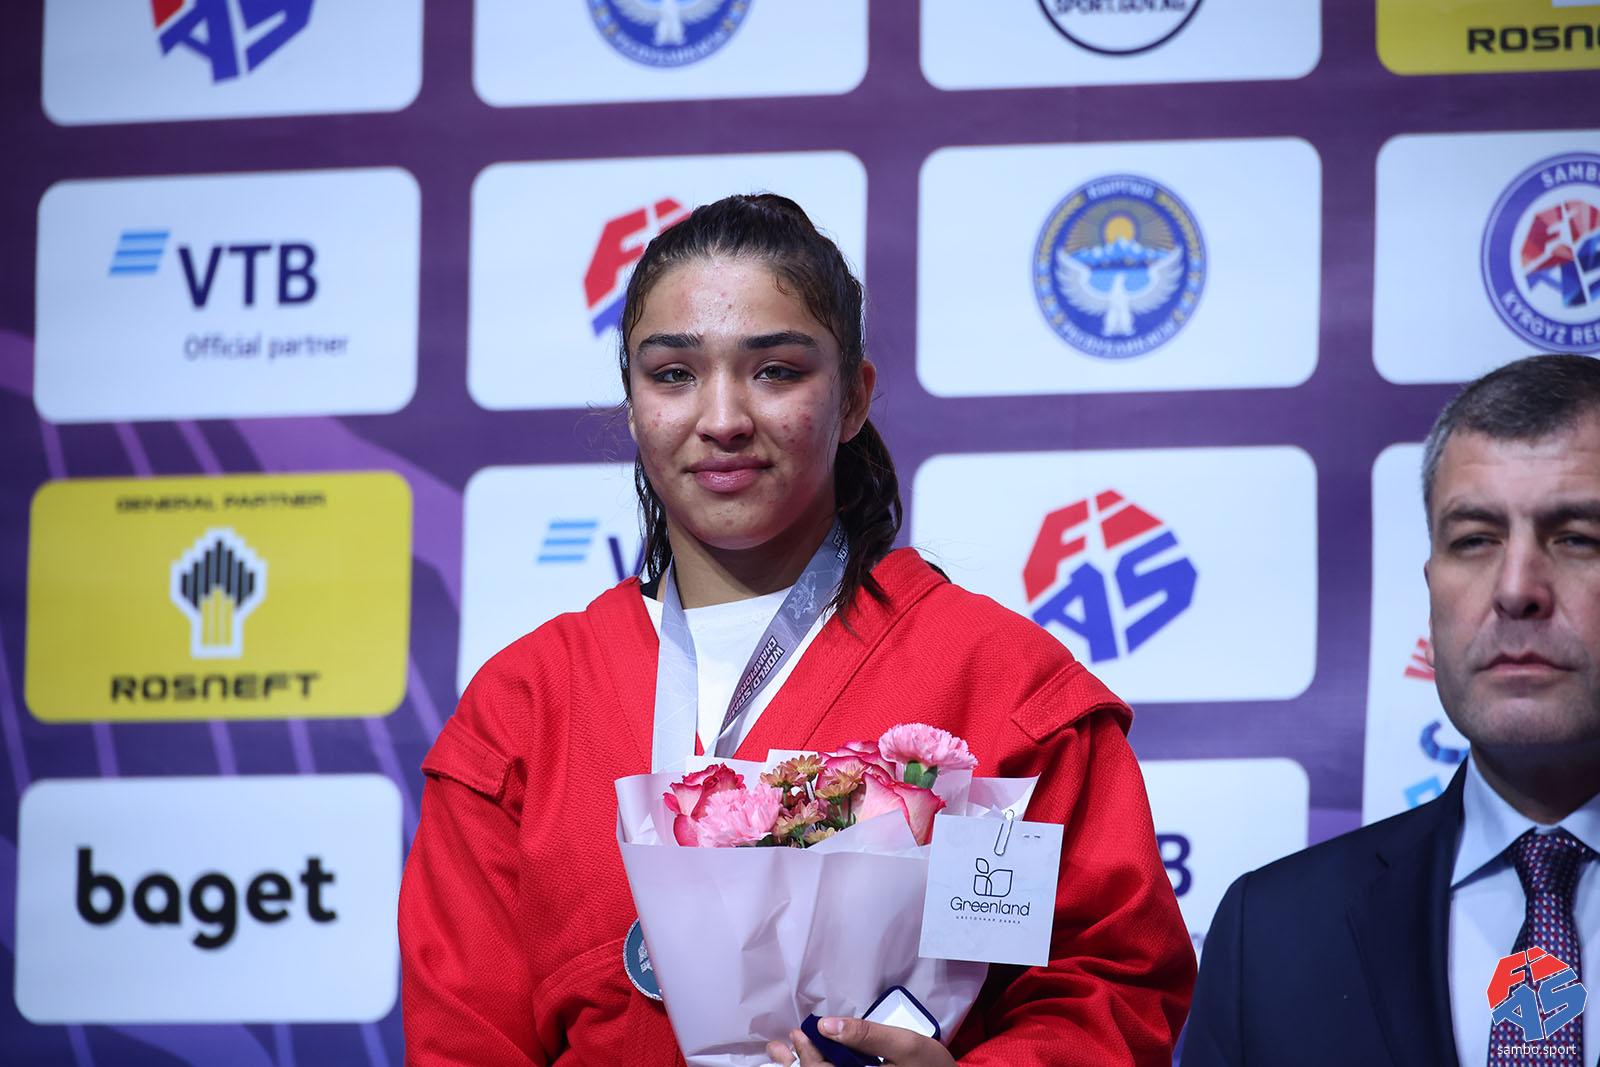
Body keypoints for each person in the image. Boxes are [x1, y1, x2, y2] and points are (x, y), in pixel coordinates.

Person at [399, 193, 1193, 1066]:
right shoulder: (525, 708)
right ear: (631, 405)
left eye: (776, 370)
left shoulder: (996, 681)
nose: (723, 418)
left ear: (854, 399)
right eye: (673, 374)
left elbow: (1112, 989)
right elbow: (461, 1042)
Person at [1181, 353, 1600, 1067]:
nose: (1516, 588)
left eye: (1577, 537)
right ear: (1432, 586)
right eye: (1475, 539)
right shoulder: (1273, 936)